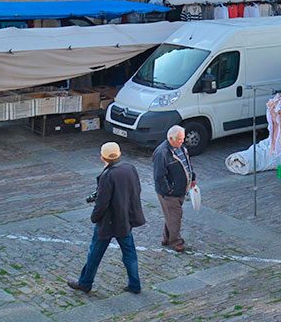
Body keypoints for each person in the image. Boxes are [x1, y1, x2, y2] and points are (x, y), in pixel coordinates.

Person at [68, 142, 145, 294]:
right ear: (119, 154)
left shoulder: (107, 175)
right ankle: (135, 284)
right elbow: (136, 190)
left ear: (102, 157)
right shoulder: (130, 169)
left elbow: (102, 203)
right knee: (130, 254)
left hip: (108, 223)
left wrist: (94, 217)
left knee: (95, 254)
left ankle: (85, 283)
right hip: (124, 221)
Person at [152, 125, 196, 253]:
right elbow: (159, 175)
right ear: (171, 138)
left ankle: (166, 238)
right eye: (179, 139)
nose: (182, 141)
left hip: (180, 190)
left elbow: (187, 164)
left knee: (171, 215)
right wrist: (169, 190)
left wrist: (192, 177)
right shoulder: (162, 153)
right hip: (170, 193)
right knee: (175, 216)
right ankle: (175, 241)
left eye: (182, 139)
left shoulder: (180, 147)